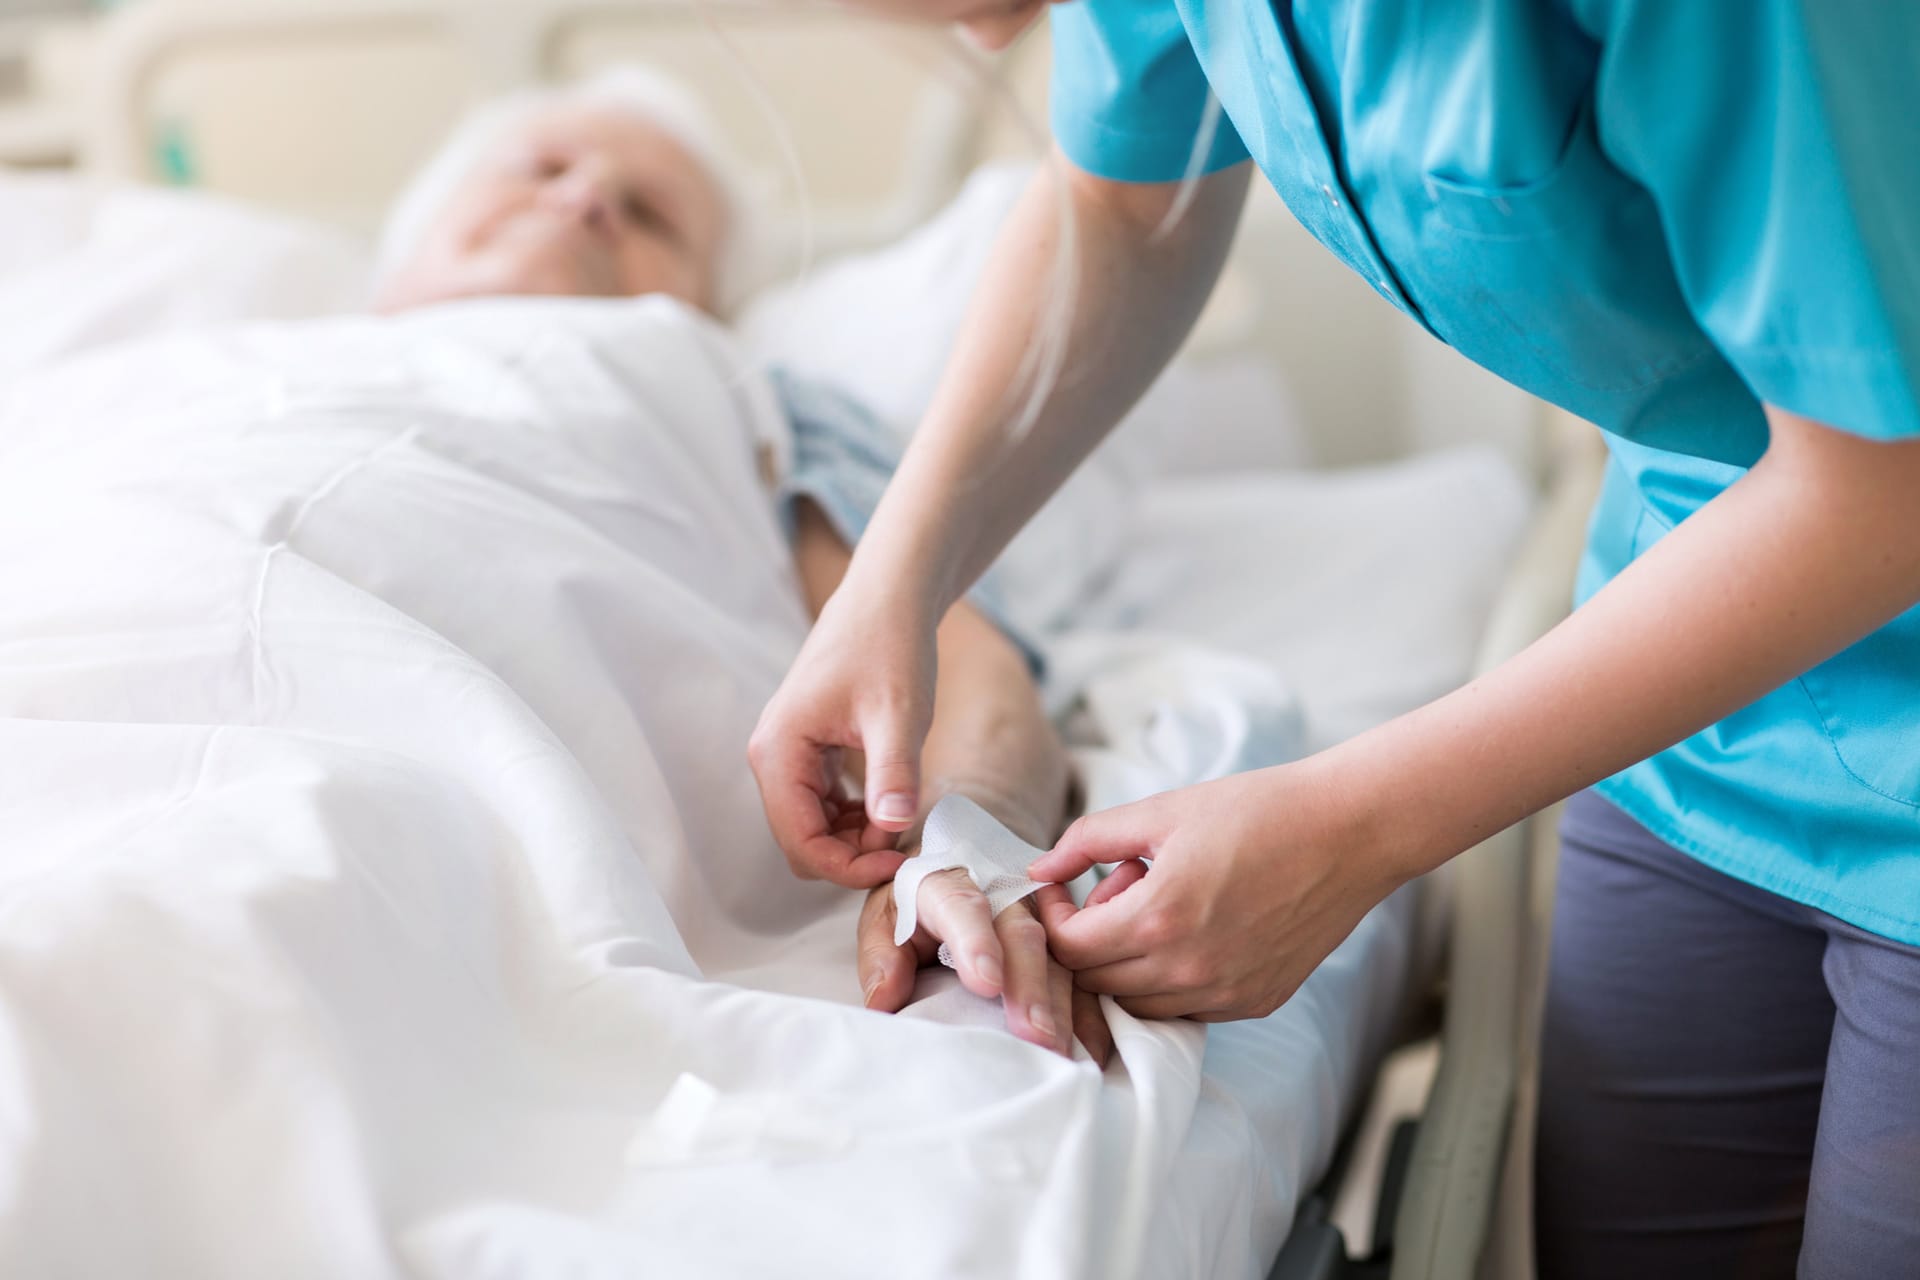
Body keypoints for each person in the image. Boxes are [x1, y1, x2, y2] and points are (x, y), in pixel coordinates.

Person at [746, 4, 1920, 1276]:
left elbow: (1883, 480)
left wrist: (1358, 826)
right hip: (1700, 692)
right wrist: (893, 581)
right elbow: (1126, 208)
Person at [373, 67, 1110, 1060]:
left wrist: (966, 846)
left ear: (706, 309)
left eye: (647, 215)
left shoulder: (740, 399)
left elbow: (959, 668)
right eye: (542, 166)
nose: (583, 195)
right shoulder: (183, 367)